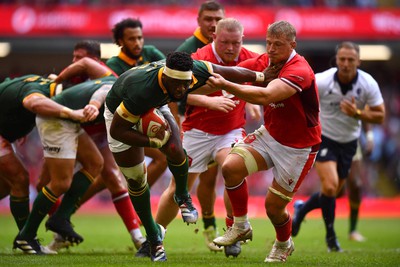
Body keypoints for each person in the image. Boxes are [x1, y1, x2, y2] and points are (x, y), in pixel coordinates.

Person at [104, 51, 275, 261]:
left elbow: (227, 72)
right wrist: (154, 143)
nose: (182, 90)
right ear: (165, 77)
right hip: (120, 116)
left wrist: (261, 77)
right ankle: (153, 237)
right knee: (137, 179)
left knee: (176, 149)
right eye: (177, 84)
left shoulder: (191, 71)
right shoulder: (140, 89)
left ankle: (183, 195)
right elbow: (117, 131)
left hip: (155, 105)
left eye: (186, 84)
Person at [208, 20, 321, 263]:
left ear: (292, 45)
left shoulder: (299, 69)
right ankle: (240, 225)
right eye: (268, 43)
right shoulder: (264, 61)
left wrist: (226, 85)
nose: (270, 49)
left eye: (277, 44)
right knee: (230, 167)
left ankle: (283, 243)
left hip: (298, 148)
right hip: (271, 135)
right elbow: (237, 70)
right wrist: (204, 69)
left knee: (273, 208)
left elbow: (268, 95)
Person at [155, 18, 259, 257]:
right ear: (214, 38)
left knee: (234, 168)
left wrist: (254, 102)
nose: (231, 48)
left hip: (231, 131)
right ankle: (155, 235)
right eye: (225, 42)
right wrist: (206, 99)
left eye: (236, 42)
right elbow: (173, 92)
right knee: (179, 187)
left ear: (242, 40)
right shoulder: (198, 59)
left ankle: (234, 230)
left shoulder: (251, 58)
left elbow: (263, 82)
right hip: (196, 132)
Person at [41, 41, 146, 253]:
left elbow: (87, 65)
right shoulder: (71, 83)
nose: (74, 62)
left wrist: (58, 78)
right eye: (73, 57)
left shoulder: (101, 73)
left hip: (101, 132)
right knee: (42, 183)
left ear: (94, 60)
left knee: (113, 177)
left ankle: (139, 239)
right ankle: (61, 228)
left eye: (78, 57)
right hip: (75, 130)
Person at [291, 41, 385, 252]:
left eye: (350, 60)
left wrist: (358, 114)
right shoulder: (323, 81)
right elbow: (302, 100)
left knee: (333, 192)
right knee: (331, 186)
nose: (345, 63)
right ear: (337, 60)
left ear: (358, 61)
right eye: (342, 59)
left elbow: (380, 115)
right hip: (324, 138)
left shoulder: (368, 84)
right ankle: (331, 238)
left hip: (349, 143)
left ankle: (302, 209)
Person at [0, 74, 94, 254]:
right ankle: (26, 239)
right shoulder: (36, 92)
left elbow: (9, 87)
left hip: (5, 132)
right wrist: (71, 112)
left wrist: (17, 123)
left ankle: (29, 236)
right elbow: (33, 103)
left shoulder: (43, 82)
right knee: (20, 179)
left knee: (6, 187)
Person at [106, 18, 168, 188]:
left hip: (147, 116)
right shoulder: (113, 65)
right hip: (122, 123)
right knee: (160, 159)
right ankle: (139, 201)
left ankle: (137, 201)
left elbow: (169, 75)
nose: (137, 43)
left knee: (113, 175)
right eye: (131, 39)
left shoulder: (151, 53)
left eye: (140, 38)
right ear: (120, 41)